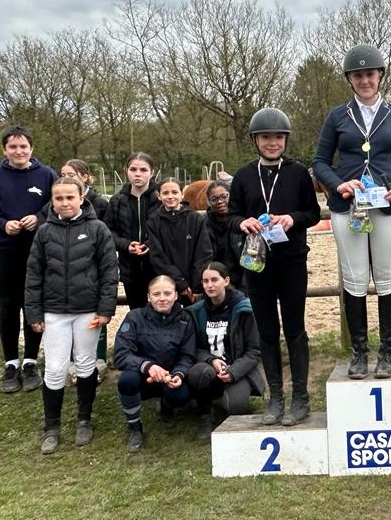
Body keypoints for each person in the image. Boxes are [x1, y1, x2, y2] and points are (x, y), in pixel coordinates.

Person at [312, 44, 391, 380]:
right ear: (350, 79)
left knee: (387, 279)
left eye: (370, 74)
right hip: (350, 208)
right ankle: (359, 352)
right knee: (356, 279)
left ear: (379, 76)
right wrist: (338, 183)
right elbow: (319, 162)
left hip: (386, 207)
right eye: (358, 75)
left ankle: (387, 351)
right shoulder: (337, 117)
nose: (364, 80)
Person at [229, 108, 320, 426]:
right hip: (256, 265)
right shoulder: (242, 176)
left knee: (295, 330)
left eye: (278, 137)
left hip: (291, 262)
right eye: (266, 137)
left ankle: (300, 398)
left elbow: (313, 213)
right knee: (267, 332)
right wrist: (244, 222)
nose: (272, 143)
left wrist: (293, 218)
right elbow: (231, 216)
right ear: (256, 140)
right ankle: (275, 398)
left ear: (285, 140)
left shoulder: (297, 174)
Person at [25, 177, 118, 453]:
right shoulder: (43, 233)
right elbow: (33, 275)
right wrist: (34, 312)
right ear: (52, 201)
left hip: (87, 311)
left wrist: (105, 309)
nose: (64, 203)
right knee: (54, 369)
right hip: (54, 312)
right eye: (58, 198)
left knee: (86, 364)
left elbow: (108, 272)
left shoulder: (97, 229)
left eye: (69, 197)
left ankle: (84, 419)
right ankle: (51, 426)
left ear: (81, 199)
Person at [0, 125, 56, 393]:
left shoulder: (46, 175)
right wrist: (1, 224)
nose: (19, 151)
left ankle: (32, 361)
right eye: (13, 146)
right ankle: (11, 363)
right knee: (9, 306)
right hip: (6, 248)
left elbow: (56, 202)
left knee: (33, 303)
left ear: (31, 148)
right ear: (5, 149)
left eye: (23, 146)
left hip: (39, 248)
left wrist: (39, 217)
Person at [113, 275, 197, 452]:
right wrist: (147, 366)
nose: (162, 298)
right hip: (142, 377)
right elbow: (121, 354)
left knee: (181, 395)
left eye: (167, 293)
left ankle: (166, 406)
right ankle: (134, 427)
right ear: (149, 297)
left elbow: (187, 356)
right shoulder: (134, 317)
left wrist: (179, 374)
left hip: (169, 377)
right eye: (156, 294)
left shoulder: (186, 320)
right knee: (126, 381)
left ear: (175, 296)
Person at [186, 263, 264, 440]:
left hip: (237, 370)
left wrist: (233, 371)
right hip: (209, 369)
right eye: (205, 281)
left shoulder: (245, 309)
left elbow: (254, 351)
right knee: (198, 373)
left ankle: (229, 396)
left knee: (235, 407)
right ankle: (204, 413)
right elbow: (193, 348)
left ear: (226, 280)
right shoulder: (196, 312)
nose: (210, 285)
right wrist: (211, 360)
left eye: (215, 280)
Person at [58, 159, 110, 381]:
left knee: (97, 312)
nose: (67, 178)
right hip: (66, 265)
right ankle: (72, 361)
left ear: (85, 177)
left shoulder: (99, 203)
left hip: (93, 264)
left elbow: (107, 234)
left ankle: (97, 360)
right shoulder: (57, 202)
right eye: (63, 174)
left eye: (72, 174)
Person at [103, 152, 160, 309]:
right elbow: (108, 232)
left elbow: (169, 231)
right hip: (130, 269)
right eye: (133, 169)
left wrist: (150, 244)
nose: (138, 174)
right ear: (126, 170)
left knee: (161, 310)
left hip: (157, 267)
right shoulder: (117, 201)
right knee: (137, 312)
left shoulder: (160, 199)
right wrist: (125, 245)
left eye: (143, 170)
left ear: (152, 172)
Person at [146, 177, 213, 306]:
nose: (170, 196)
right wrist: (179, 282)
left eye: (174, 192)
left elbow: (203, 253)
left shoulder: (195, 219)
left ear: (182, 194)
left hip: (194, 285)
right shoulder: (153, 222)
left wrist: (196, 284)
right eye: (165, 193)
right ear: (158, 196)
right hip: (168, 284)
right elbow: (158, 257)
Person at [204, 179, 245, 290]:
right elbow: (204, 260)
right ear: (208, 202)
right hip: (215, 284)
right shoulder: (202, 225)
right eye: (214, 199)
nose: (220, 201)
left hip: (244, 283)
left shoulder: (243, 222)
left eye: (224, 196)